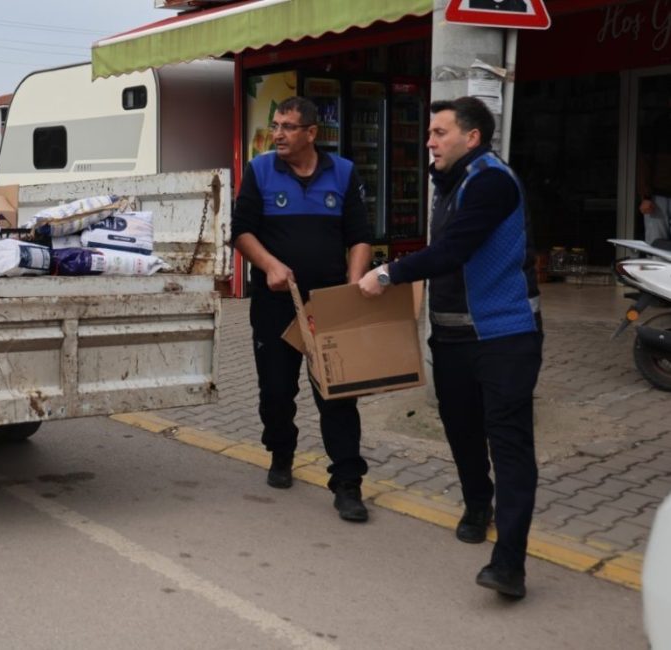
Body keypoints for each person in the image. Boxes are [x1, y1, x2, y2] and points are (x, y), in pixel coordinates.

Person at [358, 97, 542, 599]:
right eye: (430, 134)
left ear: (472, 137)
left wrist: (388, 272)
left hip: (505, 336)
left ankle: (510, 565)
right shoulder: (449, 183)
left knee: (508, 441)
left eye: (440, 133)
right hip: (453, 335)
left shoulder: (490, 181)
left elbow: (453, 250)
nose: (430, 142)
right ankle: (477, 503)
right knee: (461, 429)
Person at [231, 96, 373, 522]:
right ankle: (281, 449)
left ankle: (347, 483)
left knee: (338, 397)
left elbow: (360, 235)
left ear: (312, 133)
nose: (278, 134)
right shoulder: (259, 171)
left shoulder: (343, 173)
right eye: (276, 125)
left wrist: (352, 286)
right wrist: (270, 265)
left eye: (288, 127)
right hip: (275, 305)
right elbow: (241, 233)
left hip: (327, 306)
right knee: (276, 392)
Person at [637, 104, 671, 246]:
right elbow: (645, 163)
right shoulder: (659, 125)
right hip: (659, 195)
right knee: (656, 246)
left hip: (659, 193)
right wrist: (646, 196)